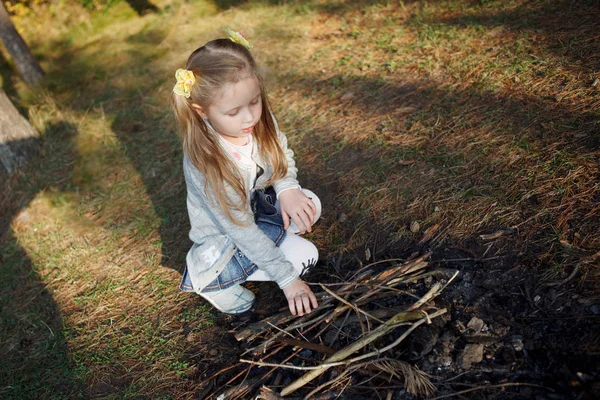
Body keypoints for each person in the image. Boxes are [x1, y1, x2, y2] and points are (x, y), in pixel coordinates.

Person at [171, 29, 321, 316]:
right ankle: (212, 283)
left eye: (254, 101)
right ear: (202, 112)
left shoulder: (254, 120)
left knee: (309, 203)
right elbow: (240, 229)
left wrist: (287, 188)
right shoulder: (208, 162)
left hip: (254, 208)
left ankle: (277, 239)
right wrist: (289, 280)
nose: (250, 116)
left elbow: (280, 152)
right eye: (234, 111)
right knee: (306, 257)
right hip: (229, 238)